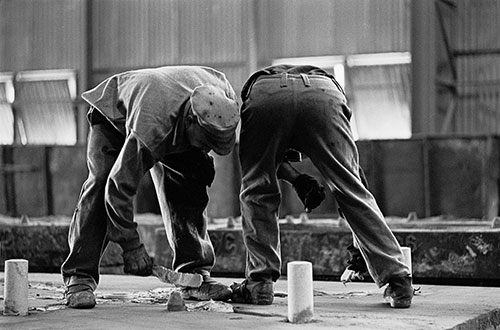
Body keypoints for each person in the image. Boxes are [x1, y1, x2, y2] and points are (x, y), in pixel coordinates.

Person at [231, 64, 413, 308]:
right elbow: (353, 179)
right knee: (351, 187)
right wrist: (298, 179)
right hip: (323, 94)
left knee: (257, 189)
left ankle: (259, 284)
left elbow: (265, 166)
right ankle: (398, 280)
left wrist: (295, 180)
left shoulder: (266, 97)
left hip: (265, 96)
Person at [61, 66, 240, 309]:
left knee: (192, 177)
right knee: (101, 182)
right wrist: (131, 246)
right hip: (114, 117)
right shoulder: (152, 126)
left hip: (168, 111)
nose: (207, 149)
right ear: (190, 122)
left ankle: (194, 274)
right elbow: (118, 188)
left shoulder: (225, 98)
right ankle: (78, 277)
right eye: (205, 142)